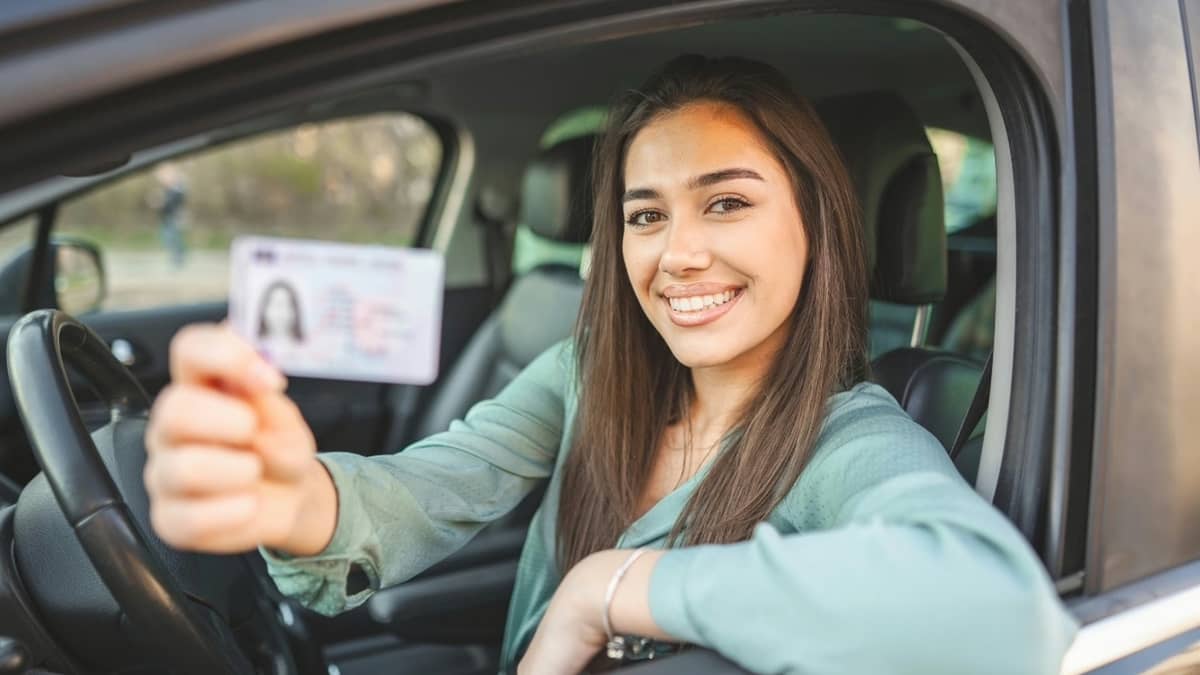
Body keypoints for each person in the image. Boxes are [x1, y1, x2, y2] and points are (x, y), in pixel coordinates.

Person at [143, 55, 1078, 674]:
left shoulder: (852, 440)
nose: (676, 254)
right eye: (644, 214)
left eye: (725, 204)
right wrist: (293, 499)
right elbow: (434, 484)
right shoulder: (587, 369)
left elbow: (1000, 614)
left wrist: (606, 589)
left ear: (818, 222)